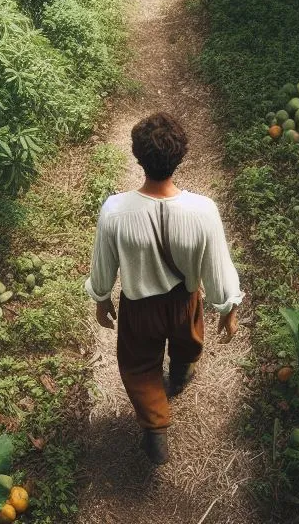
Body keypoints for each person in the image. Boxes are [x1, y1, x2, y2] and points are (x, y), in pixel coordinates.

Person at [84, 112, 243, 466]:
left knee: (140, 367)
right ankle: (182, 371)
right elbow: (217, 267)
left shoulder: (114, 211)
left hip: (139, 307)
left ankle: (156, 430)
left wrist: (100, 299)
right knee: (188, 339)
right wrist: (228, 308)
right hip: (185, 301)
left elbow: (103, 265)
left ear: (138, 157)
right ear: (180, 156)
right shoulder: (203, 210)